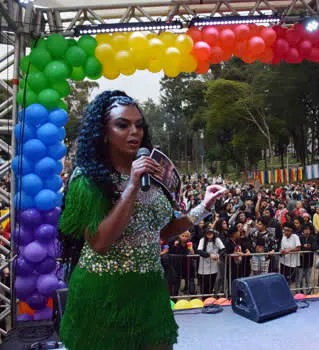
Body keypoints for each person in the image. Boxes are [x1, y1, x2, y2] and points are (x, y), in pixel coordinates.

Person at [58, 91, 226, 349]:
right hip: (103, 293)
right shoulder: (88, 179)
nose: (134, 132)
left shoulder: (153, 175)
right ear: (103, 132)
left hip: (150, 289)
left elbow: (164, 231)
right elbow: (100, 242)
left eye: (139, 125)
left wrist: (203, 206)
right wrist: (132, 186)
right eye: (122, 125)